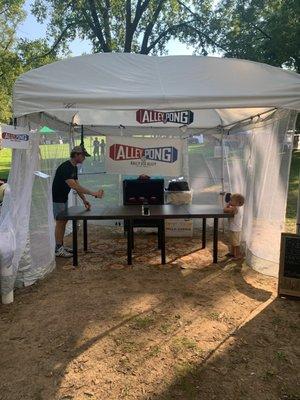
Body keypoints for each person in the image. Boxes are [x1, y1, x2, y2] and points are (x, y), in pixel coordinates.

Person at [52, 145, 104, 258]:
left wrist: (84, 200)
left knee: (63, 222)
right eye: (83, 155)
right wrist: (94, 193)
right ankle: (58, 249)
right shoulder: (65, 167)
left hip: (63, 198)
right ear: (76, 155)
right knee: (60, 223)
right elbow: (74, 186)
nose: (84, 158)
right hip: (57, 199)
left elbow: (77, 185)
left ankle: (60, 246)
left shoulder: (74, 167)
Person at [224, 193, 245, 260]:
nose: (230, 201)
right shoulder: (236, 208)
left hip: (235, 229)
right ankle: (232, 253)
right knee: (233, 242)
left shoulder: (235, 209)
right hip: (234, 228)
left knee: (236, 244)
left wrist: (227, 205)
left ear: (237, 203)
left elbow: (224, 210)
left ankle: (237, 255)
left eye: (231, 200)